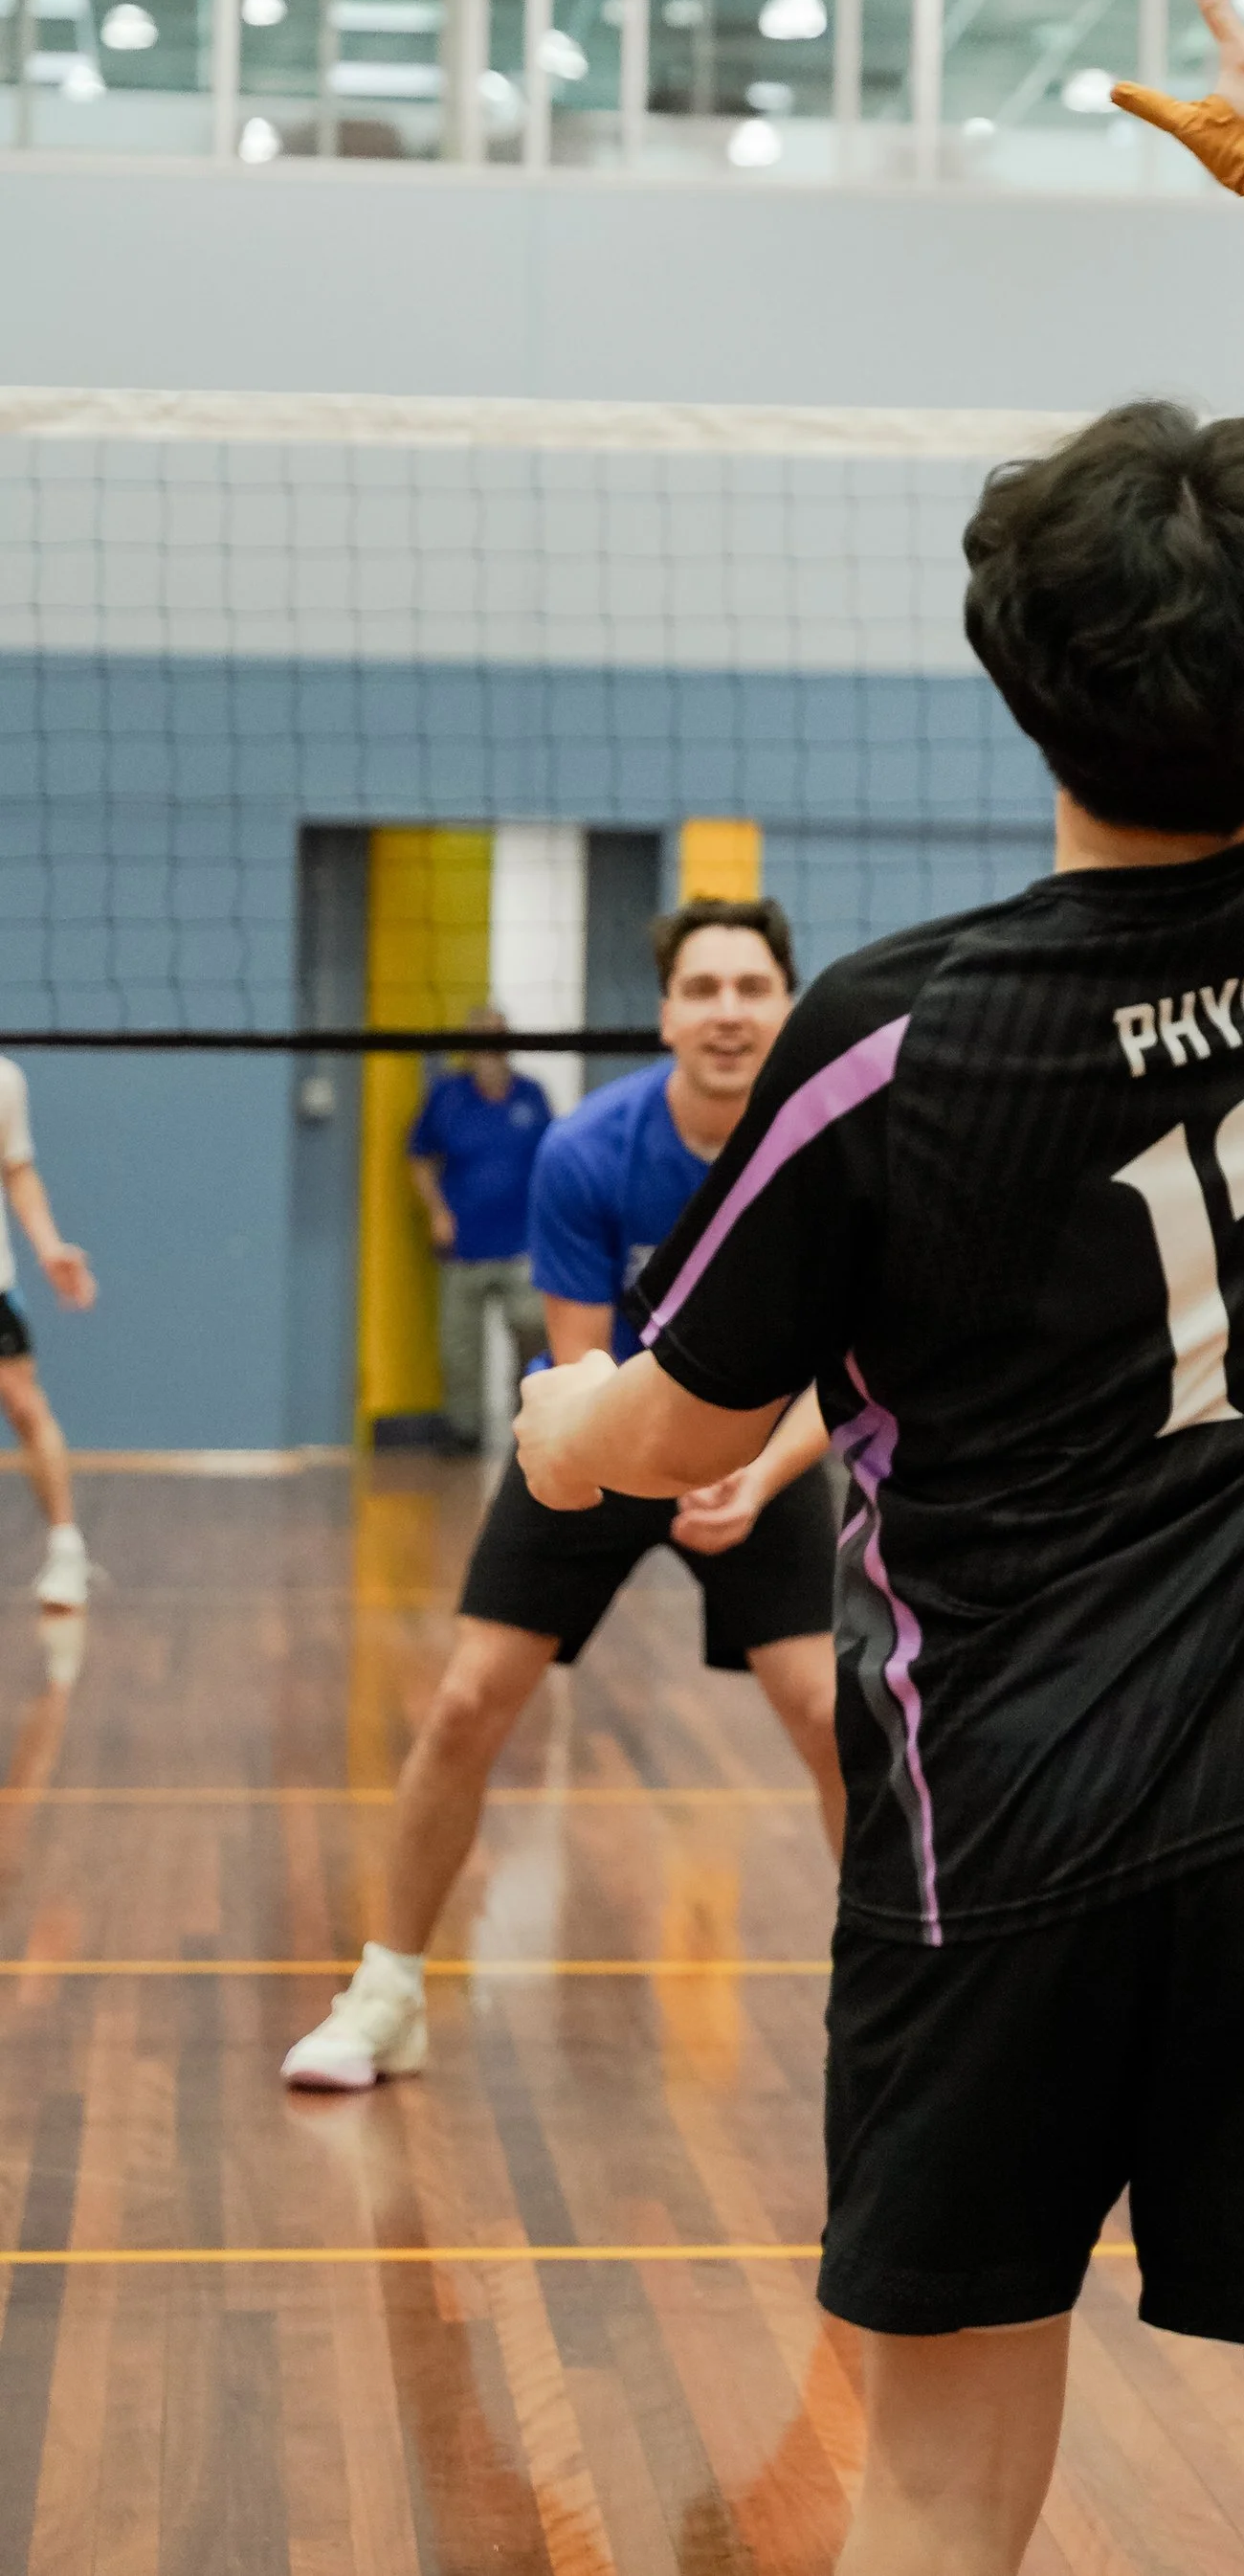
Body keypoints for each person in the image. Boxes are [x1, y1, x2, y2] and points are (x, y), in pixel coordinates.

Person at [516, 0, 1244, 2576]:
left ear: (1009, 675)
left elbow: (687, 1435)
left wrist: (558, 1412)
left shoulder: (889, 1038)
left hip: (996, 1834)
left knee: (943, 2468)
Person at [280, 897, 844, 2094]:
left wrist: (753, 1472)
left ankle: (894, 1996)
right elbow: (584, 1369)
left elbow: (845, 1362)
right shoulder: (589, 1149)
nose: (729, 1012)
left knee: (831, 1714)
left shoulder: (829, 1144)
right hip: (604, 1425)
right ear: (664, 1013)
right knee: (469, 1701)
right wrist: (662, 1462)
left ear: (787, 1003)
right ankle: (387, 1993)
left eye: (752, 987)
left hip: (765, 1442)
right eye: (703, 989)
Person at [406, 1004, 551, 1454]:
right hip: (464, 1243)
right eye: (480, 1037)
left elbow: (553, 1161)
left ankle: (528, 1427)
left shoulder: (531, 1096)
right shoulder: (447, 1096)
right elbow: (420, 1160)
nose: (488, 1046)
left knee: (531, 1333)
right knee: (460, 1348)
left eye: (496, 1036)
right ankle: (463, 1431)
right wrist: (437, 1212)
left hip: (522, 1243)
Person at [0, 1055, 100, 1614]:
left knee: (24, 1406)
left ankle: (66, 1551)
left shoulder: (4, 1080)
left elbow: (16, 1170)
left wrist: (49, 1247)